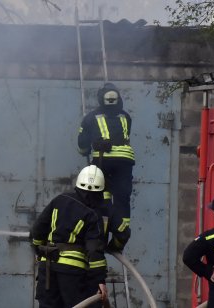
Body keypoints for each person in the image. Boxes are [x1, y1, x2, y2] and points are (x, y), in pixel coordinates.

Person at [30, 165, 108, 307]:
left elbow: (36, 231)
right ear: (100, 192)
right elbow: (95, 252)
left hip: (46, 269)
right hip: (72, 274)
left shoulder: (59, 200)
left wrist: (38, 250)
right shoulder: (93, 214)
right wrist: (100, 281)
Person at [77, 82, 134, 252]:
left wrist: (88, 148)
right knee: (122, 197)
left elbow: (82, 146)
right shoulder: (126, 116)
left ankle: (102, 235)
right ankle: (121, 236)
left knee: (103, 198)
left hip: (103, 161)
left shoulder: (90, 117)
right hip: (125, 161)